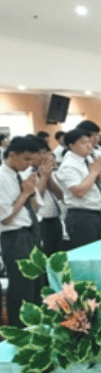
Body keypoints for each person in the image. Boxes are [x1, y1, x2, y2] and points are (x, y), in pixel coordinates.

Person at [0, 137, 43, 328]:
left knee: (36, 285)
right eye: (26, 159)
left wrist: (31, 192)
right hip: (14, 237)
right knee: (21, 287)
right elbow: (6, 217)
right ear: (12, 154)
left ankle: (37, 326)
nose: (28, 164)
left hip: (31, 232)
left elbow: (36, 207)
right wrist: (25, 193)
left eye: (31, 160)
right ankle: (20, 331)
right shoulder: (1, 177)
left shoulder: (22, 176)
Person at [55, 129, 101, 248]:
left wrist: (99, 172)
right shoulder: (68, 166)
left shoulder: (89, 160)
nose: (89, 145)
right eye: (83, 142)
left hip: (99, 213)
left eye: (89, 142)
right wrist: (94, 172)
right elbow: (78, 192)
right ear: (71, 146)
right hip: (81, 217)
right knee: (89, 258)